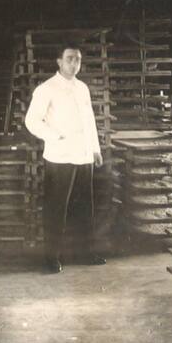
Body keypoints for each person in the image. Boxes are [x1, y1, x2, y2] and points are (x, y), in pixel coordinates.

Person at [25, 43, 105, 274]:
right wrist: (55, 136)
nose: (74, 63)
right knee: (56, 208)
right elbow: (32, 121)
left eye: (78, 59)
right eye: (69, 58)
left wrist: (95, 149)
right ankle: (51, 257)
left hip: (83, 155)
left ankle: (86, 253)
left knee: (84, 207)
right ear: (59, 61)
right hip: (60, 156)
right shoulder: (46, 89)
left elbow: (89, 121)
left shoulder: (83, 88)